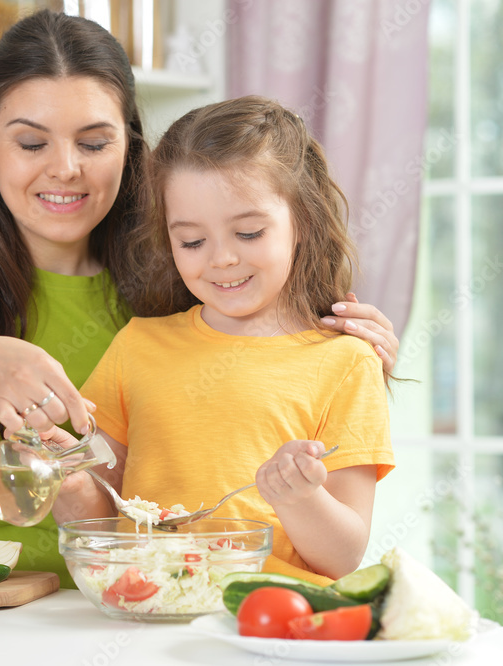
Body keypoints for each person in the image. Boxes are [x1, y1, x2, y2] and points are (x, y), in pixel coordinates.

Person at [0, 11, 399, 588]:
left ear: (130, 150)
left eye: (94, 142)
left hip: (135, 599)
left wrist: (349, 352)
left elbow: (251, 370)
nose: (65, 168)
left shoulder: (169, 270)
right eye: (32, 142)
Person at [54, 95, 396, 585]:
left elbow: (342, 558)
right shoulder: (137, 346)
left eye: (249, 233)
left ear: (303, 220)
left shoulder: (346, 362)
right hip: (147, 613)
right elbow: (101, 517)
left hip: (268, 625)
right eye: (192, 241)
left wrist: (299, 497)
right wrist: (62, 478)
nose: (221, 259)